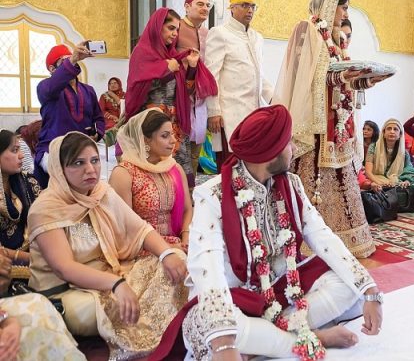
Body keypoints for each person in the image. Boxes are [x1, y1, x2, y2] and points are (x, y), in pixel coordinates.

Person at [150, 105, 383, 361]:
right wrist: (224, 343)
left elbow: (322, 236)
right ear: (268, 152)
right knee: (204, 328)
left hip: (281, 291)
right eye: (287, 143)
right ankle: (310, 337)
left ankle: (268, 341)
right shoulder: (212, 195)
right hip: (233, 298)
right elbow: (207, 266)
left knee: (352, 291)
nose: (292, 149)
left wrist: (369, 289)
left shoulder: (291, 185)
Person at [27, 132, 188, 360]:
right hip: (69, 293)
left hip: (112, 273)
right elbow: (65, 268)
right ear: (59, 169)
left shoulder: (101, 193)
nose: (90, 170)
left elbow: (140, 229)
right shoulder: (46, 208)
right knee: (112, 305)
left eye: (94, 160)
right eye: (78, 163)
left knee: (177, 263)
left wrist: (167, 253)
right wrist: (117, 284)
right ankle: (143, 342)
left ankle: (161, 339)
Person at [273, 0, 380, 258]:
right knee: (312, 176)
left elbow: (341, 78)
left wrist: (366, 79)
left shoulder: (338, 38)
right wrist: (342, 77)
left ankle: (346, 238)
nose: (345, 13)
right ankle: (306, 240)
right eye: (343, 7)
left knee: (343, 176)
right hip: (316, 121)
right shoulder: (307, 30)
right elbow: (305, 76)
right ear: (330, 6)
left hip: (337, 121)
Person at [125, 8, 217, 189]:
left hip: (174, 124)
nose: (174, 34)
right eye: (170, 28)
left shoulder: (172, 56)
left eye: (177, 30)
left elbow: (186, 91)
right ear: (158, 27)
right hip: (150, 126)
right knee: (152, 180)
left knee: (180, 177)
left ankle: (182, 214)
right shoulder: (142, 52)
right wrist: (165, 70)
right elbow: (137, 90)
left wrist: (190, 69)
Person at [205, 0, 273, 166]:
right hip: (230, 113)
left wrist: (275, 98)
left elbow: (259, 74)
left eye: (252, 6)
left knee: (254, 165)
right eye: (244, 5)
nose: (250, 10)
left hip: (255, 113)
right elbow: (211, 75)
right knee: (233, 167)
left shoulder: (257, 38)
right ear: (232, 8)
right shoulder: (220, 33)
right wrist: (213, 111)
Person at [109, 109, 192, 250]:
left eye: (172, 134)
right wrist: (169, 248)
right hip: (142, 248)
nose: (173, 140)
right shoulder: (124, 174)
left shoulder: (174, 168)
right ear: (146, 139)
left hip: (178, 242)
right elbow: (125, 228)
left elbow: (187, 209)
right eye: (165, 136)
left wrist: (186, 239)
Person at [35, 43, 105, 188]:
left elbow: (98, 118)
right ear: (52, 69)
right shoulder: (45, 87)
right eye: (65, 61)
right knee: (61, 193)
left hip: (81, 151)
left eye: (72, 59)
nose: (72, 63)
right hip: (52, 150)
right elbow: (53, 86)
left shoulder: (88, 90)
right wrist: (72, 60)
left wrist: (97, 134)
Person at [177, 0, 217, 186]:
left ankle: (189, 194)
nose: (205, 8)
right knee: (178, 150)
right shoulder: (175, 28)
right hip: (179, 97)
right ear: (187, 6)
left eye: (207, 5)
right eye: (200, 4)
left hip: (200, 99)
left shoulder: (207, 33)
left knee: (195, 149)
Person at [1, 130, 40, 265]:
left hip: (34, 251)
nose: (22, 155)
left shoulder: (28, 182)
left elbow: (43, 219)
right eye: (14, 150)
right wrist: (31, 258)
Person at [365, 119, 414, 197]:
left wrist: (406, 180)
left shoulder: (404, 153)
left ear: (400, 135)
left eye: (395, 129)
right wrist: (381, 182)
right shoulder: (373, 147)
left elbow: (408, 169)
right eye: (389, 128)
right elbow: (368, 172)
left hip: (396, 178)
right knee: (373, 185)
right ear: (383, 133)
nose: (392, 131)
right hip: (377, 177)